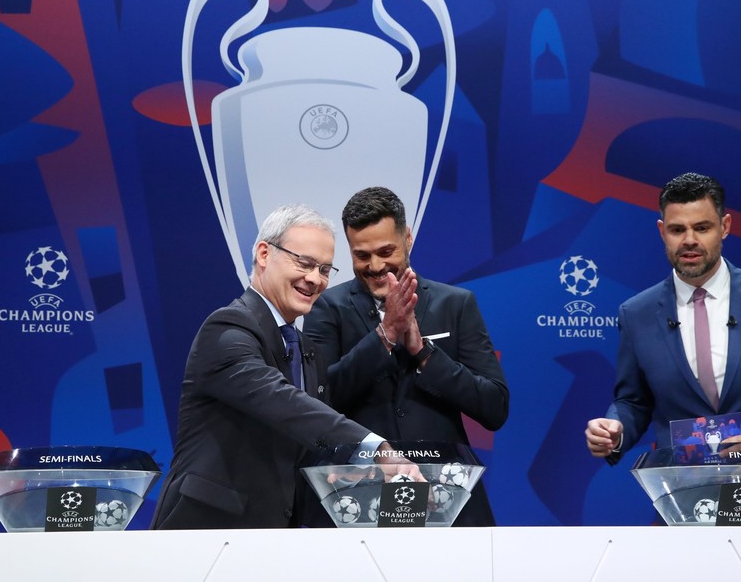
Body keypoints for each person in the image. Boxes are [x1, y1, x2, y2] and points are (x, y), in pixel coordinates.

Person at [585, 172, 741, 524]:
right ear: (662, 231)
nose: (689, 240)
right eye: (677, 229)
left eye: (702, 228)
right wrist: (615, 429)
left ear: (725, 227)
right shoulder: (637, 313)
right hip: (687, 504)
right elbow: (634, 401)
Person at [151, 204, 416, 530]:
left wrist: (348, 468)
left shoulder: (307, 350)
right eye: (304, 263)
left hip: (275, 537)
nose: (315, 279)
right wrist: (375, 448)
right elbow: (282, 403)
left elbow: (303, 441)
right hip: (204, 531)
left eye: (324, 269)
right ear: (264, 254)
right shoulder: (228, 328)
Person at [304, 186, 509, 526]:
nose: (376, 266)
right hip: (357, 498)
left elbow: (494, 407)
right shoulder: (327, 307)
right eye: (362, 255)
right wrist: (384, 336)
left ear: (408, 239)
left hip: (444, 497)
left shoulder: (455, 304)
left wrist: (423, 352)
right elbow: (318, 400)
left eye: (386, 251)